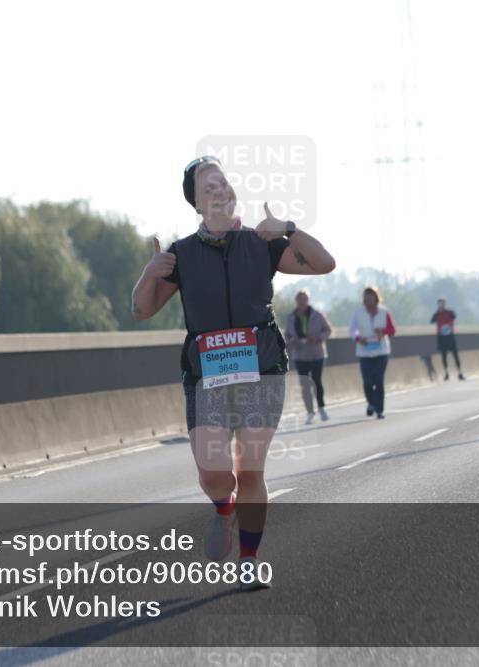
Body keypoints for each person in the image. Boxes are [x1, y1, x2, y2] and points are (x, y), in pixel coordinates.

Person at [130, 155, 335, 590]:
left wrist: (289, 229)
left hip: (262, 369)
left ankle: (249, 557)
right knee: (212, 471)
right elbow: (141, 309)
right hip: (207, 376)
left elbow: (324, 264)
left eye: (223, 182)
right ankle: (223, 507)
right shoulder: (181, 255)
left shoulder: (261, 241)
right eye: (209, 187)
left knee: (252, 472)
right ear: (197, 205)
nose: (220, 190)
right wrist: (150, 273)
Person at [284, 289, 332, 424]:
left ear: (308, 300)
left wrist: (319, 338)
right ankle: (310, 412)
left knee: (317, 381)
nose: (302, 302)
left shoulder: (317, 315)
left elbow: (328, 330)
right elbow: (287, 334)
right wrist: (291, 342)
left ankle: (322, 408)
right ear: (296, 301)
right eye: (299, 299)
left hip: (317, 353)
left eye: (304, 299)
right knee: (305, 384)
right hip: (300, 354)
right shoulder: (291, 317)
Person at [349, 286, 396, 419]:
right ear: (364, 298)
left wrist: (383, 332)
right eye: (366, 296)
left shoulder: (384, 311)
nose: (369, 298)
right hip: (364, 351)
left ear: (376, 297)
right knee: (368, 381)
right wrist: (358, 338)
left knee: (379, 380)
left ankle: (380, 409)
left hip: (381, 351)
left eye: (371, 295)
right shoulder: (358, 313)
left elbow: (392, 330)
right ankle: (371, 403)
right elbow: (352, 330)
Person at [430, 298, 465, 381]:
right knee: (444, 356)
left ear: (445, 304)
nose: (440, 305)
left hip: (450, 336)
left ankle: (460, 372)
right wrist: (438, 312)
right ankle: (446, 373)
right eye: (439, 304)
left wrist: (445, 312)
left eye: (442, 303)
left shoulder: (450, 312)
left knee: (455, 355)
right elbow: (432, 321)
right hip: (441, 337)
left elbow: (454, 316)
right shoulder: (437, 314)